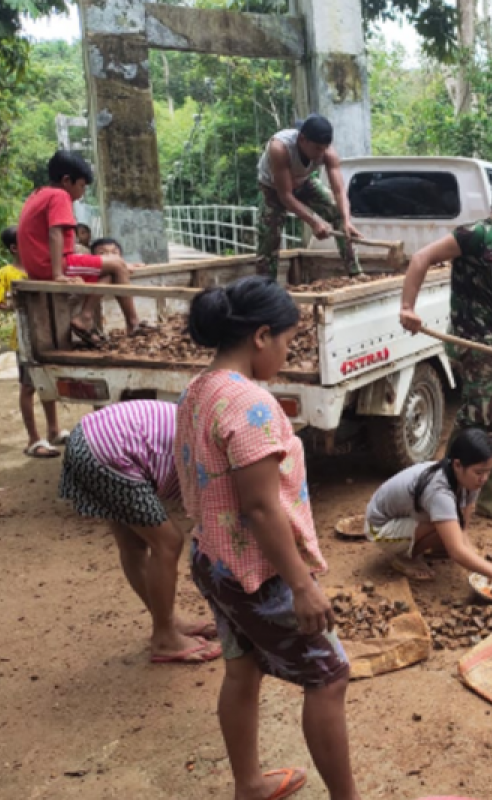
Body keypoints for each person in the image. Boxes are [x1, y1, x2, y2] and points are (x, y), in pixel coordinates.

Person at [177, 276, 360, 800]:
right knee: (329, 676)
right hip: (257, 573)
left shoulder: (198, 389)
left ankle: (249, 785)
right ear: (261, 336)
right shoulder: (248, 405)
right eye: (286, 341)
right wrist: (301, 585)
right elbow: (259, 507)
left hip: (212, 560)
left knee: (242, 667)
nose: (287, 351)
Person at [398, 177, 492, 525]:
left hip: (490, 346)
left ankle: (438, 484)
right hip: (469, 343)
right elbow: (421, 257)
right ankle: (485, 495)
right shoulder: (475, 235)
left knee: (474, 414)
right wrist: (407, 306)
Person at [59, 400, 221, 664]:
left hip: (88, 438)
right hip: (110, 450)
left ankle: (168, 622)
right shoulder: (217, 461)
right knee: (168, 542)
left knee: (134, 545)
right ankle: (165, 637)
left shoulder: (210, 437)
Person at [364, 427, 492, 596]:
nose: (484, 479)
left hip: (408, 516)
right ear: (457, 464)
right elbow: (456, 551)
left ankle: (423, 545)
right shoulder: (439, 492)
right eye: (479, 472)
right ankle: (404, 557)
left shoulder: (470, 479)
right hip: (380, 527)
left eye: (487, 472)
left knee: (452, 527)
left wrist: (478, 564)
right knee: (445, 529)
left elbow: (463, 528)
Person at [16, 151, 152, 347]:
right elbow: (55, 233)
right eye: (81, 185)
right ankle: (134, 324)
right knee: (118, 266)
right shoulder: (60, 195)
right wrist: (57, 274)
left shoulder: (38, 194)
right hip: (51, 265)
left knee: (111, 273)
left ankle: (85, 317)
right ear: (66, 180)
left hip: (38, 264)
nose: (83, 192)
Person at [0, 226, 68, 458]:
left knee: (47, 383)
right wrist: (5, 306)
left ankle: (53, 430)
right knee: (28, 386)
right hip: (26, 339)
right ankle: (33, 439)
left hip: (48, 335)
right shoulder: (8, 273)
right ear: (15, 247)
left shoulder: (43, 270)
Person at [256, 114, 361, 281]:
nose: (322, 153)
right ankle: (264, 287)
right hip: (274, 189)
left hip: (304, 181)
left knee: (337, 214)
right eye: (318, 149)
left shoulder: (327, 153)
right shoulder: (280, 148)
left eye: (325, 148)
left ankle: (354, 272)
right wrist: (314, 222)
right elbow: (286, 196)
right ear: (303, 140)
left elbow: (339, 191)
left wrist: (347, 221)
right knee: (269, 238)